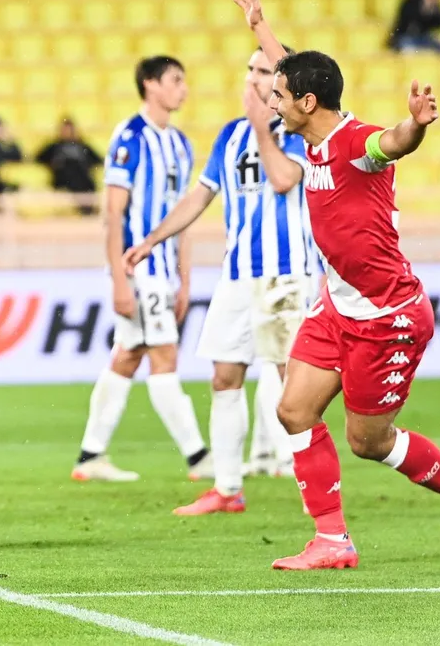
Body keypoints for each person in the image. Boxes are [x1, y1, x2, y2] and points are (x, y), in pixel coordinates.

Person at [233, 0, 440, 570]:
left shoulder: (356, 144)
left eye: (279, 96)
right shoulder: (312, 130)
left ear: (305, 105)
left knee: (369, 443)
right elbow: (289, 69)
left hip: (388, 314)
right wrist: (259, 26)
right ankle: (331, 540)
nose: (271, 101)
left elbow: (390, 142)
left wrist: (417, 128)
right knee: (293, 410)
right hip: (338, 303)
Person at [123, 45, 315, 514]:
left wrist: (259, 127)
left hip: (286, 275)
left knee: (295, 386)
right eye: (249, 69)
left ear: (283, 83)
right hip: (236, 276)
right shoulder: (230, 134)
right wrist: (152, 239)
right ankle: (228, 489)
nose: (252, 78)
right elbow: (199, 197)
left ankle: (316, 491)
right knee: (224, 376)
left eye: (264, 70)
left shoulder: (296, 131)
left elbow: (284, 179)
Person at [72, 56, 211, 483]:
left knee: (128, 356)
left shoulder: (182, 144)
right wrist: (118, 278)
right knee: (163, 355)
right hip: (139, 268)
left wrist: (186, 281)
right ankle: (198, 457)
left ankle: (90, 456)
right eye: (175, 80)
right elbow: (113, 214)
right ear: (150, 85)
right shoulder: (130, 137)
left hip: (166, 271)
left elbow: (183, 218)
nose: (183, 89)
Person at [35, 117, 101, 215]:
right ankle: (86, 209)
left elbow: (98, 160)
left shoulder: (82, 146)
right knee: (71, 170)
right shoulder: (54, 146)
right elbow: (38, 158)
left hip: (82, 177)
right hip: (62, 178)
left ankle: (87, 208)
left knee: (80, 175)